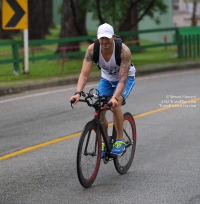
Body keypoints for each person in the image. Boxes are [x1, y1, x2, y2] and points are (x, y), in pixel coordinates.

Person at [70, 23, 136, 157]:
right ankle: (104, 141)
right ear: (98, 38)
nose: (104, 41)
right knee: (99, 107)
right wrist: (77, 93)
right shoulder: (92, 50)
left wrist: (114, 97)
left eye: (107, 38)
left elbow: (122, 79)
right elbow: (84, 74)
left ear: (113, 36)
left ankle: (120, 141)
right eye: (101, 38)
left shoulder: (124, 51)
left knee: (115, 106)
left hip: (125, 78)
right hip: (106, 79)